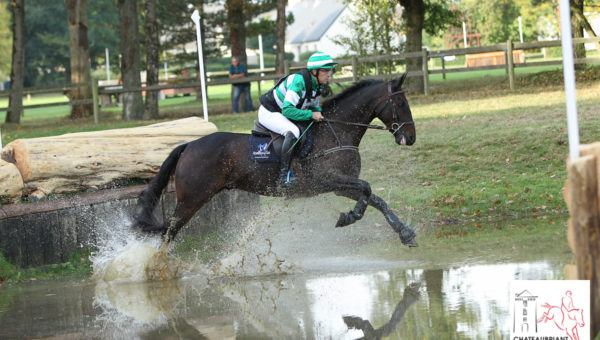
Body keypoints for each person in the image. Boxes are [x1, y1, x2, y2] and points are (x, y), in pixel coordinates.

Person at [258, 52, 337, 189]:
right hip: (270, 112)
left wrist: (317, 113)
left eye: (330, 70)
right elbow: (287, 110)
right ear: (314, 71)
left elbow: (312, 105)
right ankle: (283, 177)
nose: (329, 74)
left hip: (285, 112)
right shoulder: (299, 81)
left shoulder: (317, 85)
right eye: (325, 70)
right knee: (293, 131)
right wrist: (311, 115)